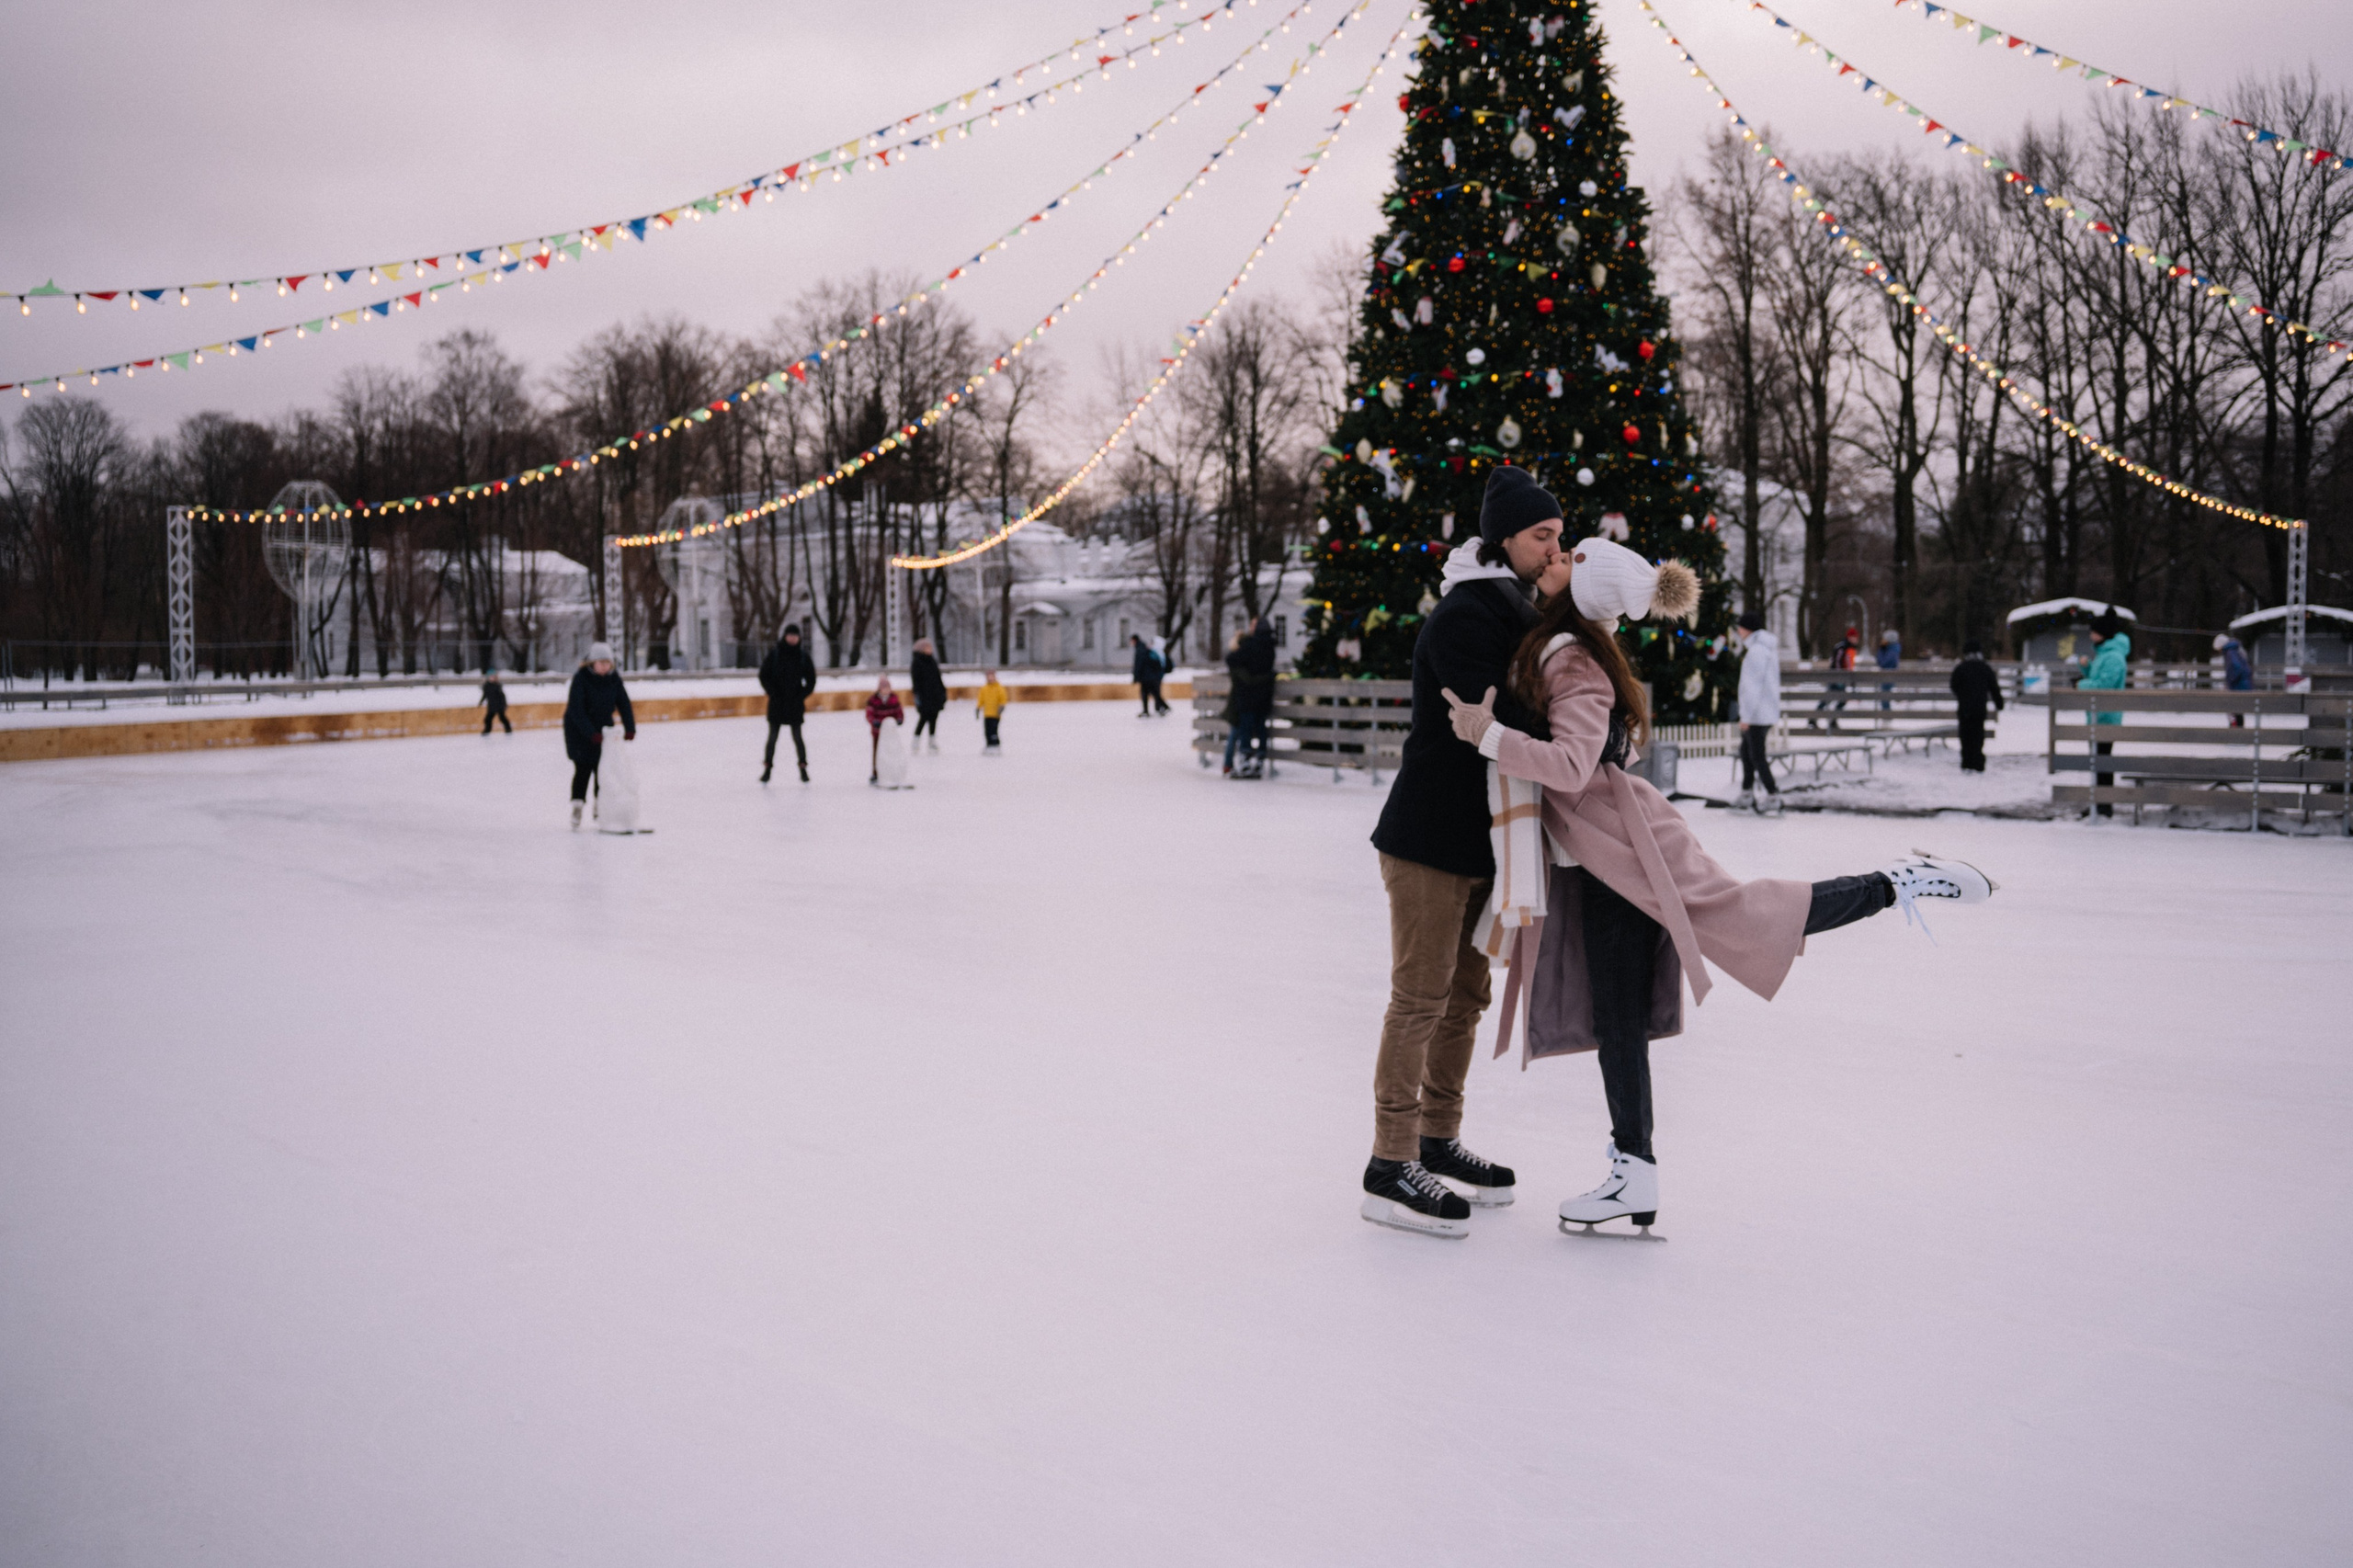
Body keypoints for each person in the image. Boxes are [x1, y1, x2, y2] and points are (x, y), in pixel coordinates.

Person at [1444, 534, 1997, 1236]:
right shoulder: (1576, 644)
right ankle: (1633, 1173)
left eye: (1567, 559)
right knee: (1618, 1019)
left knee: (1755, 916)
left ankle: (1901, 882)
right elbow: (1615, 743)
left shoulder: (1576, 658)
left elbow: (1573, 764)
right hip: (1610, 855)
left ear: (1585, 591)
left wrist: (1489, 735)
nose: (1552, 560)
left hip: (1633, 850)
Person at [1358, 465, 1561, 1239]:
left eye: (1557, 536)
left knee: (1466, 998)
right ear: (1503, 538)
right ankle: (1389, 1160)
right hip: (1427, 841)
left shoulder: (1514, 607)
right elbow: (1500, 718)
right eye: (1541, 535)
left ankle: (1436, 1140)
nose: (1553, 550)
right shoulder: (1466, 615)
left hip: (1484, 844)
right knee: (1420, 997)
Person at [563, 642, 634, 831]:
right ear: (592, 663)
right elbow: (576, 710)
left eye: (607, 663)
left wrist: (630, 727)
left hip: (603, 732)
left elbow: (624, 702)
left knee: (602, 771)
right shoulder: (581, 679)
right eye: (600, 663)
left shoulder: (614, 679)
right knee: (583, 769)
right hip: (579, 733)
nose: (604, 667)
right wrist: (590, 733)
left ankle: (599, 806)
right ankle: (577, 807)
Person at [2079, 610, 2131, 817]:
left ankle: (2104, 804)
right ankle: (2098, 802)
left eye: (2094, 632)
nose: (2091, 635)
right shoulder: (2104, 655)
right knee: (2098, 760)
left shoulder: (2113, 657)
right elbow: (2098, 679)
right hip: (2097, 715)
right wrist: (2086, 669)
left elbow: (2104, 685)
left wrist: (2080, 684)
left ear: (2103, 634)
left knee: (2102, 760)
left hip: (2106, 716)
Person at [1732, 610, 1782, 812]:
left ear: (1747, 629)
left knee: (1756, 755)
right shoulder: (1764, 649)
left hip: (1757, 714)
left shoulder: (1756, 652)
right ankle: (1747, 792)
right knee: (1746, 752)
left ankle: (1772, 795)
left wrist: (1747, 716)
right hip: (1763, 712)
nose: (1738, 631)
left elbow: (1752, 688)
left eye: (1740, 627)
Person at [757, 625, 817, 783]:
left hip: (794, 704)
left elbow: (811, 679)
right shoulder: (775, 654)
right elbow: (763, 675)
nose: (792, 638)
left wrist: (801, 695)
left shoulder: (803, 656)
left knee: (798, 737)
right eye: (790, 635)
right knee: (772, 738)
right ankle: (767, 769)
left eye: (795, 636)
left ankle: (803, 769)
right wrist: (772, 692)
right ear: (785, 636)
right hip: (777, 703)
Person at [1222, 619, 1278, 778]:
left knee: (1245, 728)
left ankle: (1245, 761)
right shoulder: (1270, 648)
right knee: (1261, 727)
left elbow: (1231, 659)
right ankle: (1260, 758)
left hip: (1247, 696)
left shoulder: (1250, 645)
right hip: (1264, 696)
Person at [1949, 639, 2004, 772]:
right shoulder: (1984, 668)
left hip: (1965, 709)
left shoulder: (1961, 668)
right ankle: (1978, 762)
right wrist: (1999, 703)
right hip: (1979, 708)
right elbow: (1994, 688)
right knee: (1978, 735)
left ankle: (1967, 762)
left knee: (1965, 735)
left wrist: (1962, 695)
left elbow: (1953, 685)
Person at [1814, 625, 1859, 730]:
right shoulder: (1842, 647)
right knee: (1829, 699)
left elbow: (1849, 665)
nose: (1856, 639)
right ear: (1849, 637)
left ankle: (1832, 719)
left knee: (1838, 699)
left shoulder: (1850, 648)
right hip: (1836, 677)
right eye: (1854, 637)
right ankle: (1816, 718)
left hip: (1842, 678)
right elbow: (1838, 662)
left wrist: (1849, 677)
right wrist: (1839, 675)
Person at [865, 675, 906, 786]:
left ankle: (894, 771)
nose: (886, 691)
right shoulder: (874, 700)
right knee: (878, 752)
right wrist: (874, 722)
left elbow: (899, 711)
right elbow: (869, 714)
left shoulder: (894, 699)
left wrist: (899, 719)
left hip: (890, 733)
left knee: (892, 751)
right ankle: (876, 772)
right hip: (878, 733)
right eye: (884, 688)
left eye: (888, 688)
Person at [909, 639, 948, 753]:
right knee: (924, 717)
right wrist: (917, 695)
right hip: (924, 695)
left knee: (934, 718)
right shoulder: (917, 662)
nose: (930, 650)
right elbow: (916, 681)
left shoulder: (932, 661)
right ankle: (916, 740)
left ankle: (932, 741)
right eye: (928, 648)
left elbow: (938, 678)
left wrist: (942, 692)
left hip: (935, 695)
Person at [2216, 632, 2253, 728]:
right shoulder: (2235, 650)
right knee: (2237, 710)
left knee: (2235, 709)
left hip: (2238, 685)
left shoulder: (2230, 652)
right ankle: (2237, 731)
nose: (2219, 651)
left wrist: (2230, 680)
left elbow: (2236, 667)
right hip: (2242, 683)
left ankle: (2236, 732)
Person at [1131, 633, 1169, 718]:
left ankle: (1160, 708)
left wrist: (1137, 676)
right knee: (1153, 693)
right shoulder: (1152, 651)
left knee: (1149, 693)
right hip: (1152, 676)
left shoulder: (1149, 651)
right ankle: (1161, 708)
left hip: (1149, 677)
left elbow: (1140, 664)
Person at [975, 670, 1008, 753]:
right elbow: (981, 699)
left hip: (996, 714)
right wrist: (978, 708)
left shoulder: (999, 688)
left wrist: (1001, 707)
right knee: (987, 731)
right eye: (988, 676)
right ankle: (989, 745)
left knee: (994, 730)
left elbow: (1003, 699)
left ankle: (996, 745)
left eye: (991, 676)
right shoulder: (984, 688)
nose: (990, 678)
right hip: (987, 714)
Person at [1875, 627, 1902, 711]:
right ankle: (1886, 714)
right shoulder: (1889, 649)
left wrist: (1881, 649)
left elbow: (1883, 663)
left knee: (1884, 696)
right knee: (1884, 696)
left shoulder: (1892, 651)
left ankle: (1886, 714)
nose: (1882, 640)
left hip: (1888, 676)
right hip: (1886, 676)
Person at [479, 669, 511, 735]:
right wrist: (481, 701)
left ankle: (508, 729)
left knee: (502, 718)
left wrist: (504, 704)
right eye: (491, 677)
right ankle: (487, 730)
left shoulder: (497, 686)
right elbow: (485, 695)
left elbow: (502, 696)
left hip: (499, 705)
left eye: (493, 677)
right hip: (491, 705)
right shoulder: (487, 686)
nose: (492, 678)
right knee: (488, 719)